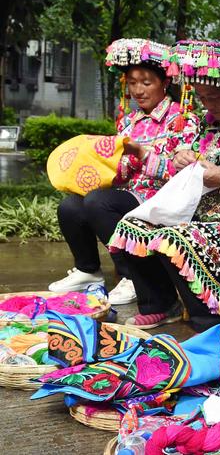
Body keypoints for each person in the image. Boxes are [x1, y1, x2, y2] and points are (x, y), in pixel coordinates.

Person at [108, 40, 220, 330]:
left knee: (174, 238)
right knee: (132, 225)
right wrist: (182, 158)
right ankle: (163, 304)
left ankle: (213, 318)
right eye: (201, 98)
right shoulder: (208, 124)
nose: (207, 105)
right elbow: (191, 163)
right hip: (200, 212)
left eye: (213, 97)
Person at [49, 38, 199, 306]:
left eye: (146, 82)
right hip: (124, 193)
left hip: (157, 198)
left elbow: (183, 177)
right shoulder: (129, 121)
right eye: (132, 82)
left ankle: (134, 275)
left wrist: (141, 154)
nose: (138, 90)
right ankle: (88, 270)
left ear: (165, 82)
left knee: (98, 202)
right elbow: (117, 170)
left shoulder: (183, 119)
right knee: (71, 206)